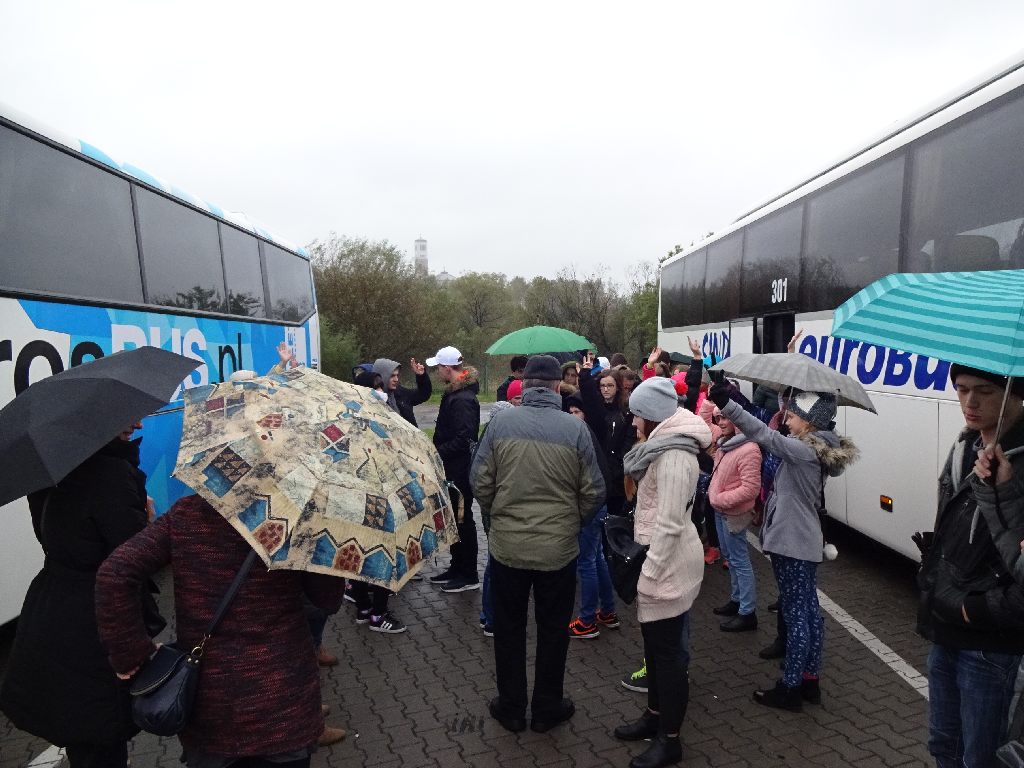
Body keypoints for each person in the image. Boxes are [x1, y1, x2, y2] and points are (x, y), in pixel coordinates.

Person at [95, 494, 346, 767]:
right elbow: (327, 600)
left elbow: (115, 573)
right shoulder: (301, 520)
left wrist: (131, 655)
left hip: (210, 703)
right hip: (283, 702)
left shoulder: (188, 512)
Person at [0, 422, 159, 768]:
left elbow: (53, 537)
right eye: (123, 416)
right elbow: (132, 557)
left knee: (81, 731)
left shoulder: (48, 472)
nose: (137, 423)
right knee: (102, 731)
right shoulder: (112, 473)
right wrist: (146, 519)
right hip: (97, 619)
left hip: (51, 608)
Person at [471, 355, 605, 734]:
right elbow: (594, 490)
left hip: (508, 549)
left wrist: (497, 517)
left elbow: (479, 481)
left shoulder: (499, 425)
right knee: (553, 630)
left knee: (508, 629)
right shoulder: (576, 430)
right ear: (557, 387)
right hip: (557, 552)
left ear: (525, 385)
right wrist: (571, 523)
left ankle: (511, 708)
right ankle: (547, 708)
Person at [709, 383, 858, 711]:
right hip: (804, 539)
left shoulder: (803, 450)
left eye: (792, 415)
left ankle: (790, 687)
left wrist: (727, 403)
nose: (786, 419)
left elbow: (763, 433)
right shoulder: (817, 448)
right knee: (809, 612)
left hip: (792, 541)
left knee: (797, 614)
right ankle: (809, 680)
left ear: (809, 421)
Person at [917, 365, 1024, 767]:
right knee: (944, 745)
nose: (970, 402)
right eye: (961, 390)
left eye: (985, 391)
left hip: (993, 644)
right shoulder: (965, 447)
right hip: (946, 628)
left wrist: (973, 609)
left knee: (981, 757)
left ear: (1016, 392)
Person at [612, 377, 711, 768]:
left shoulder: (673, 456)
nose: (633, 421)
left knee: (669, 658)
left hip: (666, 567)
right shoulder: (661, 445)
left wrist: (649, 573)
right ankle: (654, 718)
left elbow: (669, 524)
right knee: (654, 650)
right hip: (658, 561)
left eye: (637, 414)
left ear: (652, 415)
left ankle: (670, 740)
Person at [426, 345, 482, 593]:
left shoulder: (463, 399)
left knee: (463, 520)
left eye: (438, 367)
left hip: (459, 471)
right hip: (451, 468)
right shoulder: (455, 394)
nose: (437, 372)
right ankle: (457, 566)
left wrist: (437, 452)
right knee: (453, 520)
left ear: (448, 368)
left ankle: (469, 574)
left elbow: (464, 438)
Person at [564, 392, 618, 640]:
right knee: (597, 558)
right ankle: (607, 611)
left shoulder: (579, 436)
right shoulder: (587, 433)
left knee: (586, 562)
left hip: (589, 506)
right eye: (570, 412)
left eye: (577, 411)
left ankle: (587, 620)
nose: (573, 416)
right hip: (598, 503)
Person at [705, 405, 762, 632]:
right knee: (730, 556)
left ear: (737, 421)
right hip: (720, 510)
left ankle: (747, 612)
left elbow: (750, 488)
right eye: (718, 417)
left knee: (739, 560)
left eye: (726, 418)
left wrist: (719, 498)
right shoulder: (725, 444)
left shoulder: (749, 449)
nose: (720, 422)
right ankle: (737, 600)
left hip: (733, 512)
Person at [579, 364, 636, 517]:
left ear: (617, 387)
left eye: (610, 385)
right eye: (602, 385)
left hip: (618, 474)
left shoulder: (626, 412)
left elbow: (629, 440)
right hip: (597, 470)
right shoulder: (597, 411)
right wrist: (585, 375)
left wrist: (619, 465)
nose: (606, 389)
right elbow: (589, 398)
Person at [372, 357, 432, 427]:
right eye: (392, 376)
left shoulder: (401, 393)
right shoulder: (370, 398)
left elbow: (423, 394)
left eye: (397, 375)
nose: (396, 379)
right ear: (381, 376)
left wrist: (421, 376)